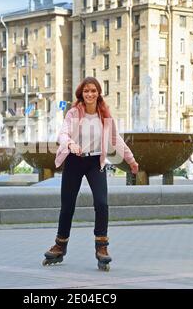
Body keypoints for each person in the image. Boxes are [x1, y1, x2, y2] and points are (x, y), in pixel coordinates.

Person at [42, 77, 139, 271]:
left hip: (95, 162)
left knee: (102, 203)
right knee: (67, 206)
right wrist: (71, 144)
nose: (89, 94)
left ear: (98, 93)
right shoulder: (73, 113)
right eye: (86, 91)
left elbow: (115, 139)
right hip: (74, 161)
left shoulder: (105, 116)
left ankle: (101, 246)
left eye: (93, 91)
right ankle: (60, 245)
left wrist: (131, 159)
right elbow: (62, 134)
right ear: (81, 93)